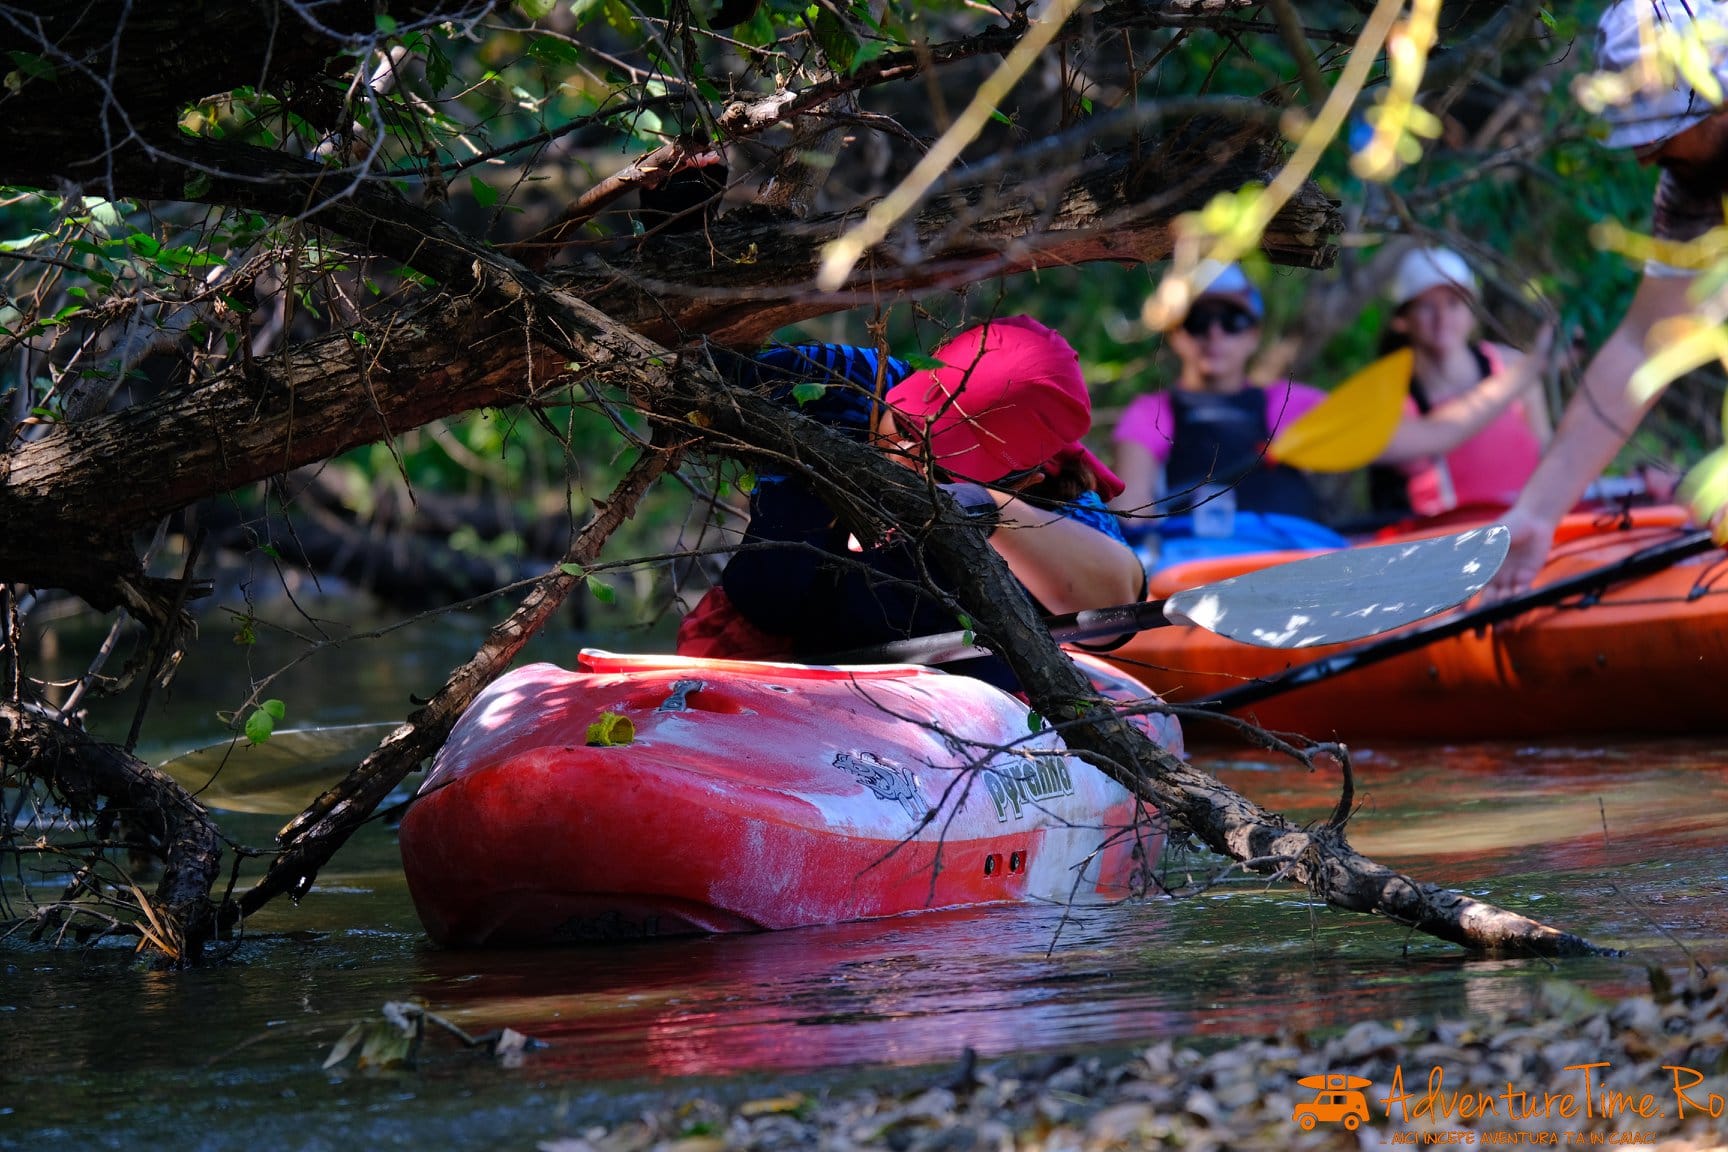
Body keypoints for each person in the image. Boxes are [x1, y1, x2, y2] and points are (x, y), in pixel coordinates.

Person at [676, 316, 1146, 691]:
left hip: (954, 699)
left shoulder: (1059, 495)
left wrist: (986, 508)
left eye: (941, 463)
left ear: (1023, 481)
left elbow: (1115, 608)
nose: (903, 460)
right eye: (904, 428)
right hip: (760, 649)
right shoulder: (849, 380)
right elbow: (678, 361)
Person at [1490, 0, 1728, 595]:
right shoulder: (1696, 183)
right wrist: (1537, 511)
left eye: (1663, 130)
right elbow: (1643, 346)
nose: (1645, 156)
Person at [1109, 262, 1347, 569]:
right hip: (1195, 563)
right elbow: (1131, 510)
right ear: (1176, 333)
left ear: (1254, 334)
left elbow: (1391, 436)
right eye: (1198, 321)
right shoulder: (1151, 412)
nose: (1215, 334)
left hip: (1294, 557)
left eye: (1232, 321)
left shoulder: (1288, 403)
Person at [1366, 246, 1553, 525]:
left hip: (1527, 529)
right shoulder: (1389, 397)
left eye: (1453, 303)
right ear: (1402, 320)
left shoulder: (1514, 366)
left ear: (1471, 313)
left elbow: (1546, 453)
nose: (1442, 318)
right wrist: (1533, 366)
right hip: (1445, 543)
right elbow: (1436, 436)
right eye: (1427, 306)